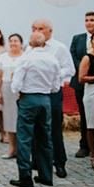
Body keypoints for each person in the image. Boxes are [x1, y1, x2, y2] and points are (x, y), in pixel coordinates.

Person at [9, 32, 62, 187]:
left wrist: (18, 91)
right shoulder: (52, 59)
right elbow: (56, 86)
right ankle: (46, 176)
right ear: (44, 44)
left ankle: (25, 177)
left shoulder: (25, 58)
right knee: (45, 137)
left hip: (28, 98)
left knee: (24, 138)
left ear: (29, 45)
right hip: (45, 99)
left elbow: (16, 84)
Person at [30, 18, 75, 178]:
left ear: (50, 31)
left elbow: (70, 69)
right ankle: (36, 161)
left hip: (52, 91)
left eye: (40, 28)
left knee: (54, 126)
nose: (36, 31)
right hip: (34, 92)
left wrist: (52, 74)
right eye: (34, 28)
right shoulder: (30, 47)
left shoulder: (59, 48)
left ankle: (59, 163)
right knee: (35, 127)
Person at [70, 12, 94, 158]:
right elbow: (73, 56)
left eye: (92, 20)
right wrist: (83, 66)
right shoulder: (78, 39)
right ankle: (85, 146)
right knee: (84, 115)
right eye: (87, 20)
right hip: (81, 82)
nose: (89, 23)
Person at [77, 31, 94, 170]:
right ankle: (93, 155)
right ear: (92, 42)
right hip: (92, 93)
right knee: (92, 125)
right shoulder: (87, 58)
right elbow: (81, 78)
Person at [0, 34, 24, 159]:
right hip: (7, 87)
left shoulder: (25, 56)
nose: (13, 43)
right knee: (9, 118)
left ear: (21, 43)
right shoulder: (3, 57)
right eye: (11, 41)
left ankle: (24, 149)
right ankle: (12, 148)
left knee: (22, 119)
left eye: (16, 41)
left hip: (22, 89)